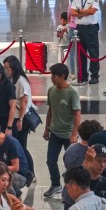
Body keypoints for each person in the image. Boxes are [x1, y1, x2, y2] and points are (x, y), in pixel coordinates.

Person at [44, 63, 82, 197]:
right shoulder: (51, 90)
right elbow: (50, 110)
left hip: (68, 134)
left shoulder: (72, 93)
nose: (51, 78)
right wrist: (47, 129)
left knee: (71, 163)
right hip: (55, 132)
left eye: (54, 76)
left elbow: (77, 114)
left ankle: (74, 186)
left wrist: (74, 134)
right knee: (51, 160)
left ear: (62, 76)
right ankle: (55, 184)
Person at [3, 55, 36, 178]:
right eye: (4, 68)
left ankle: (30, 172)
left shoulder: (20, 81)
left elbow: (24, 102)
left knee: (21, 146)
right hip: (16, 117)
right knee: (19, 146)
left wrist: (20, 119)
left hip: (20, 119)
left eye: (7, 68)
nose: (5, 70)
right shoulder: (11, 80)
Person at [0, 120, 31, 194]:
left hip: (19, 175)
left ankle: (10, 199)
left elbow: (16, 167)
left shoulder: (12, 143)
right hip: (5, 172)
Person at [70, 0, 101, 84]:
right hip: (79, 29)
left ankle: (94, 75)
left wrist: (80, 11)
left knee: (93, 52)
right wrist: (84, 12)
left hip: (91, 29)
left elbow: (92, 11)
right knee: (81, 53)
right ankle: (83, 75)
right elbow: (72, 13)